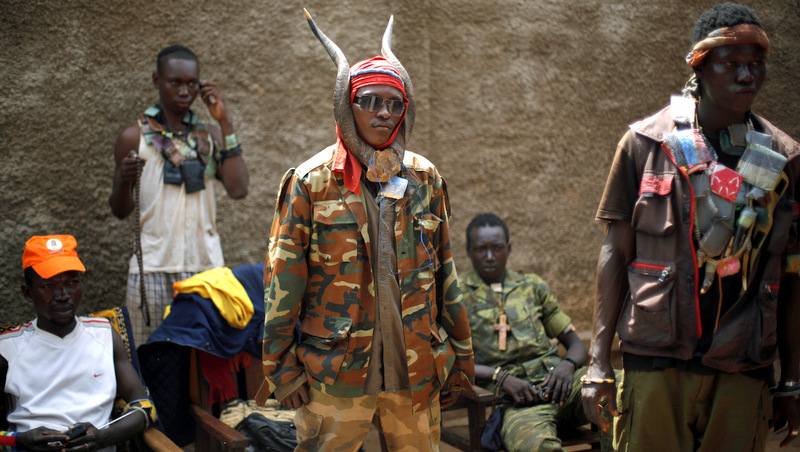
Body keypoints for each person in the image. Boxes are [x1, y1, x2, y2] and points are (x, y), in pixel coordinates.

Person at [581, 3, 800, 450]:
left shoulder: (784, 158)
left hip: (743, 366)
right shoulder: (645, 144)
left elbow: (792, 273)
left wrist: (792, 377)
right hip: (656, 365)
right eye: (732, 64)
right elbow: (614, 254)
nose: (748, 76)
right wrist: (598, 363)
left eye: (756, 65)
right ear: (700, 67)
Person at [254, 11, 474, 452]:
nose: (383, 113)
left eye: (394, 103)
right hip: (335, 375)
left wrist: (460, 360)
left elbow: (446, 272)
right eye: (370, 101)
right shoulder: (310, 182)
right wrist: (280, 369)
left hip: (415, 370)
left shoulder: (423, 178)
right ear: (345, 105)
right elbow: (283, 281)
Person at [109, 45, 249, 347]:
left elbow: (238, 190)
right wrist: (123, 180)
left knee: (204, 356)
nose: (185, 91)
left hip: (205, 265)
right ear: (157, 80)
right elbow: (120, 210)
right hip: (153, 266)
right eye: (175, 82)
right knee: (150, 355)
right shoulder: (134, 137)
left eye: (192, 83)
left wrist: (224, 121)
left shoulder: (210, 136)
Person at [460, 213, 610, 452]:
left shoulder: (532, 286)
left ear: (508, 249)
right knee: (538, 447)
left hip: (565, 388)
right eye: (481, 249)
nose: (489, 257)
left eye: (497, 248)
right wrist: (499, 376)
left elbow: (576, 344)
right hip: (518, 404)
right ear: (468, 251)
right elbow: (449, 361)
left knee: (623, 393)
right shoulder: (457, 296)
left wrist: (567, 365)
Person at [0, 235, 157, 452]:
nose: (63, 295)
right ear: (27, 292)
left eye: (72, 283)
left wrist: (103, 437)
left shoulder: (104, 334)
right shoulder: (7, 347)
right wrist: (19, 441)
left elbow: (145, 408)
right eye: (48, 285)